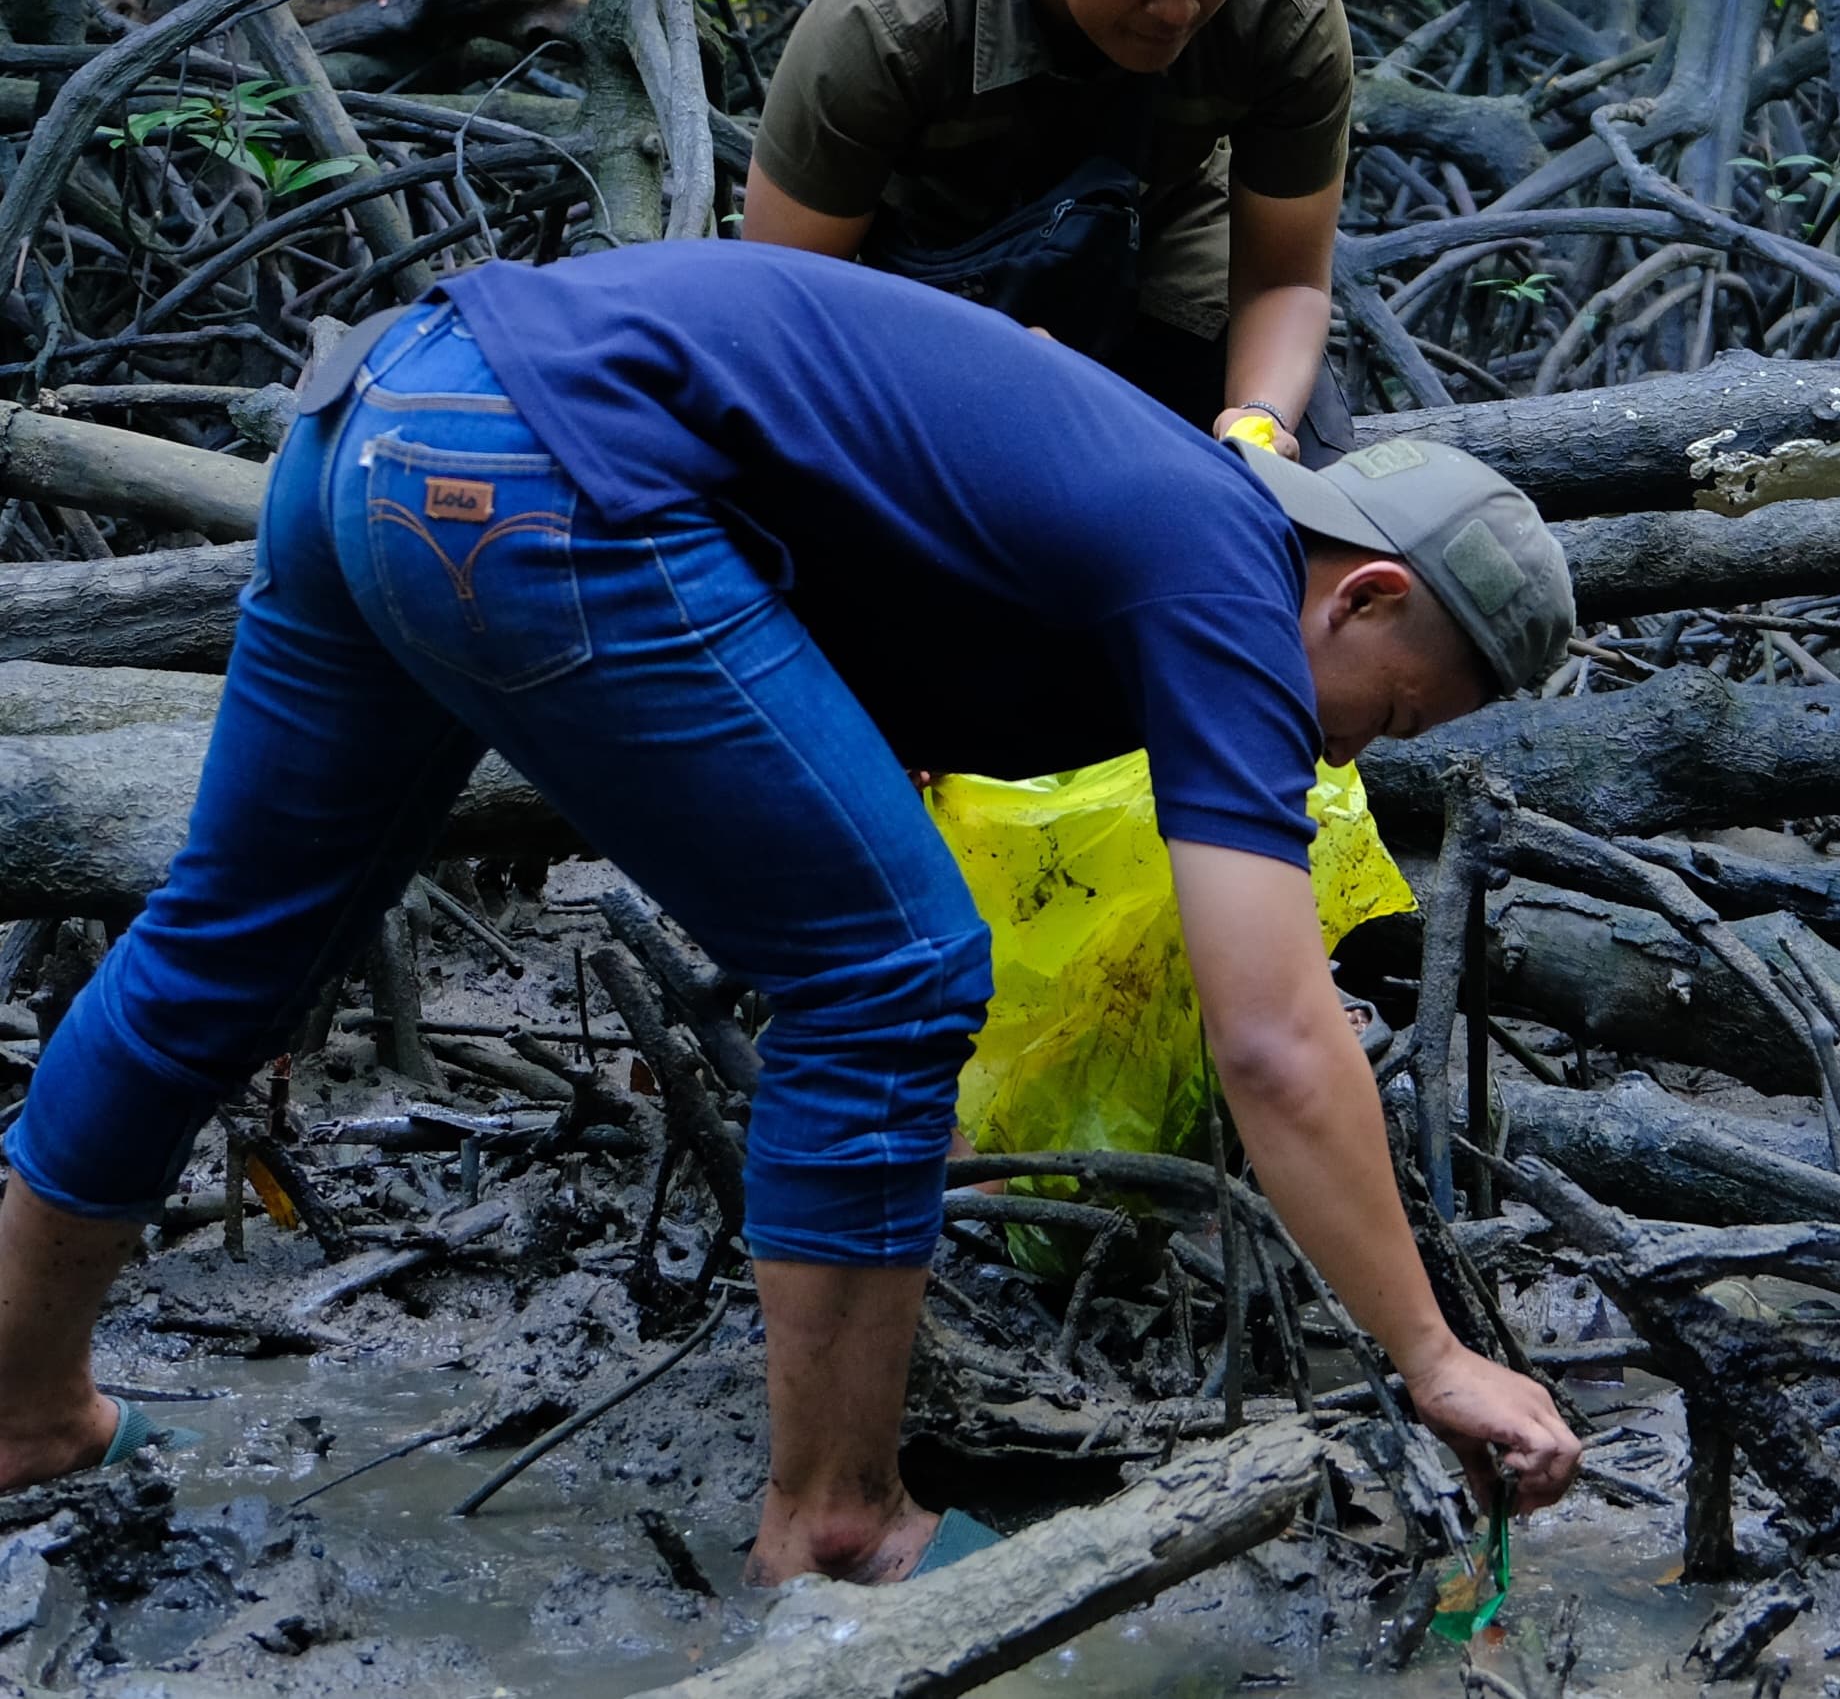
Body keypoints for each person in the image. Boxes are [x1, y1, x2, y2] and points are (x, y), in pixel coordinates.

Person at [0, 244, 1582, 1578]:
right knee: (893, 976)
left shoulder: (1153, 514)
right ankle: (840, 1524)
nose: (1346, 754)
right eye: (1387, 715)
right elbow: (1273, 1035)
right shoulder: (1232, 572)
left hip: (390, 409)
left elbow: (826, 680)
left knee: (225, 944)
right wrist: (1435, 1357)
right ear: (1360, 594)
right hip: (534, 462)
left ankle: (22, 1411)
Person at [748, 0, 1358, 457]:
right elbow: (782, 310)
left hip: (1159, 243)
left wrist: (1259, 419)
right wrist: (969, 366)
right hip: (926, 290)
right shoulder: (885, 21)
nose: (1178, 6)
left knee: (1303, 502)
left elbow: (1285, 284)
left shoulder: (1284, 9)